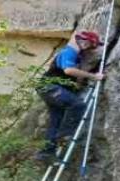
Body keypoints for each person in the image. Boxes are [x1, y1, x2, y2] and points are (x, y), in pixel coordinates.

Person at [36, 31, 105, 160]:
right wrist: (93, 76)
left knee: (56, 120)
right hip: (51, 88)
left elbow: (67, 75)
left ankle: (46, 152)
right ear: (84, 42)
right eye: (91, 45)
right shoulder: (69, 52)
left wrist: (78, 84)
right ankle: (65, 135)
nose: (91, 49)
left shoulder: (75, 56)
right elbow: (69, 70)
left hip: (50, 89)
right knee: (78, 105)